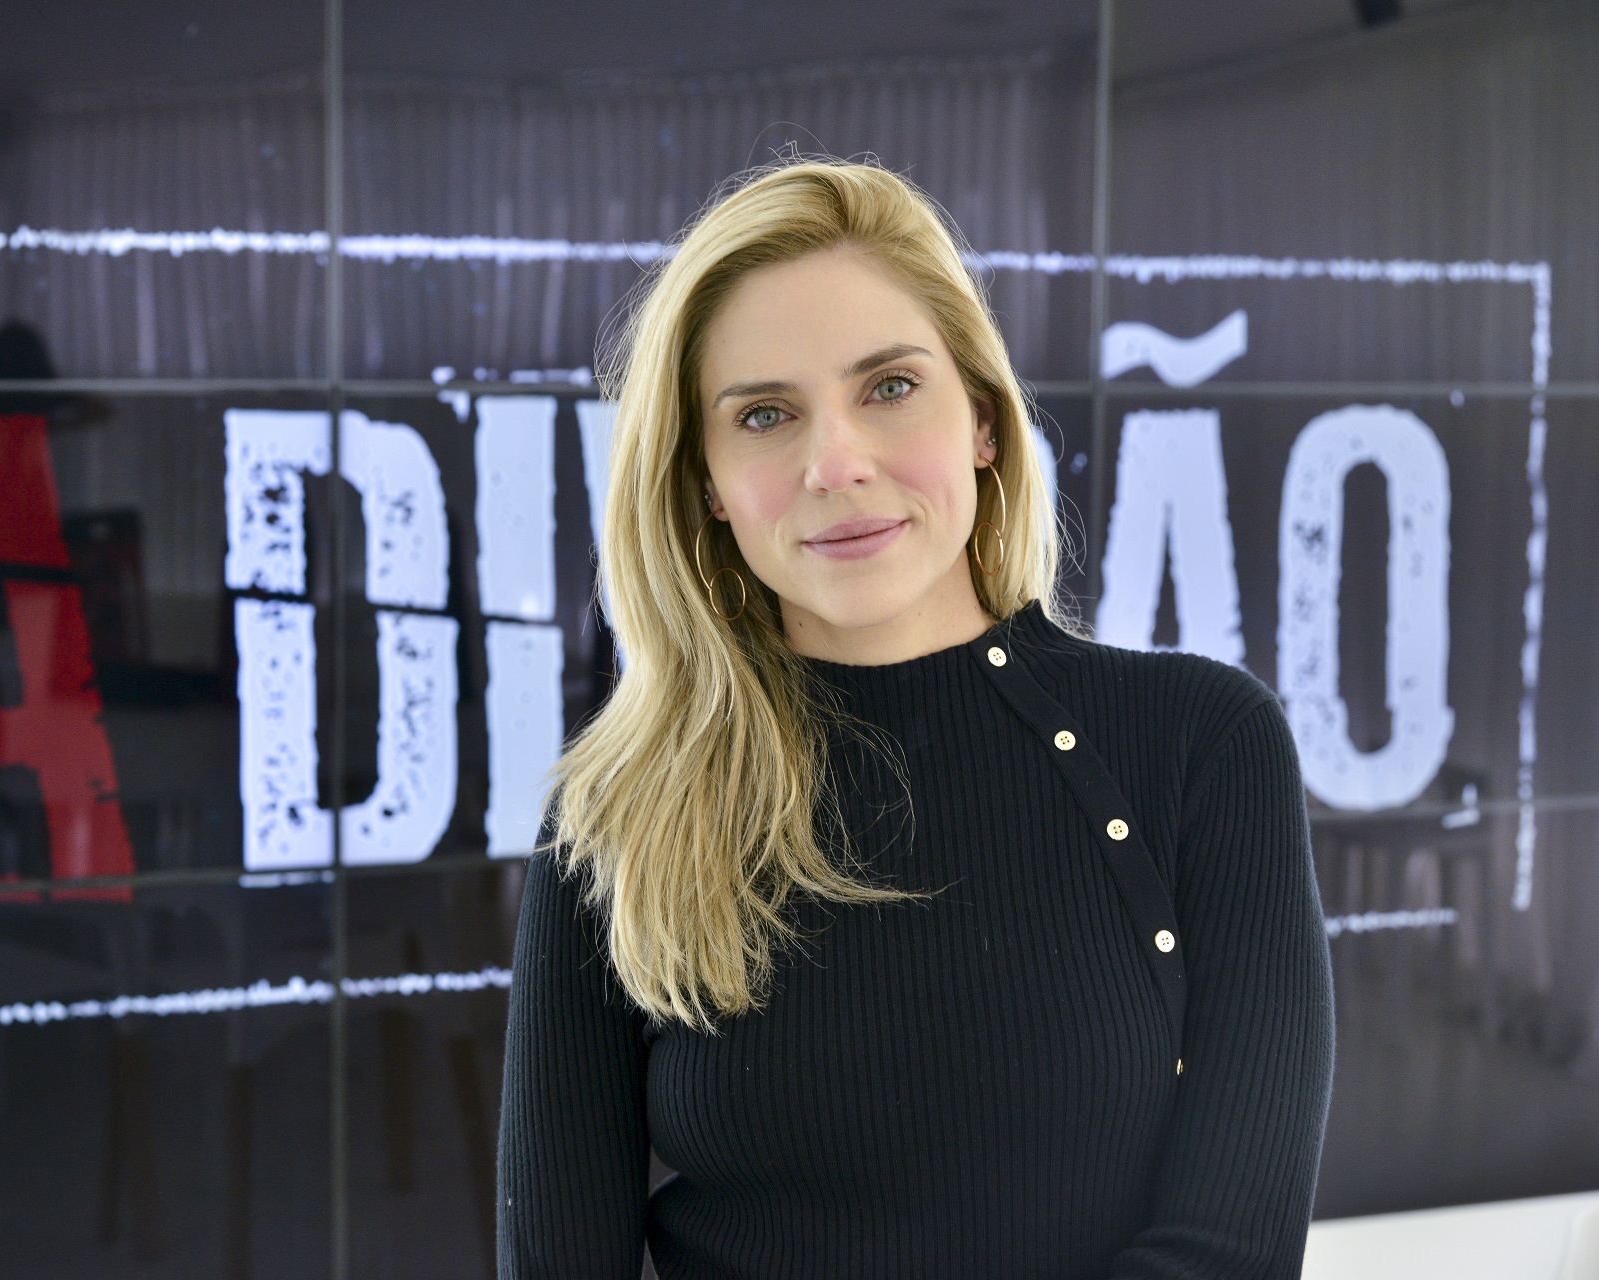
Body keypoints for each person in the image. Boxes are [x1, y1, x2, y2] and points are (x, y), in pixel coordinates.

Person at [496, 160, 1334, 1278]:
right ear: (705, 481)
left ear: (982, 419)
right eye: (763, 414)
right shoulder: (618, 812)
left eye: (888, 387)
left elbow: (1229, 1249)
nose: (835, 465)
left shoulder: (1203, 742)